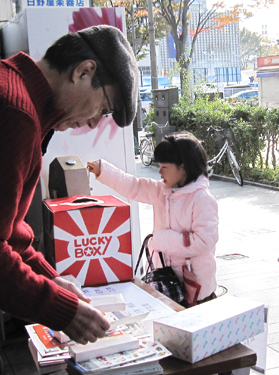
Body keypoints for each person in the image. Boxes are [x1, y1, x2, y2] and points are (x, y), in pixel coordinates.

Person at [0, 25, 139, 346]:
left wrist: (53, 280)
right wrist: (62, 310)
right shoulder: (16, 114)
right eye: (104, 109)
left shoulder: (15, 93)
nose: (93, 122)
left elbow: (11, 237)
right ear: (83, 71)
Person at [87, 132, 218, 306]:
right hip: (167, 281)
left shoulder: (202, 199)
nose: (160, 172)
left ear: (184, 167)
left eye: (165, 167)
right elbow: (133, 186)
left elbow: (204, 241)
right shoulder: (162, 190)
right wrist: (103, 170)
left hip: (195, 287)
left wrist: (162, 239)